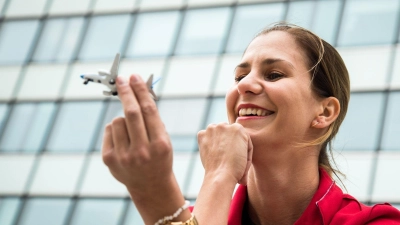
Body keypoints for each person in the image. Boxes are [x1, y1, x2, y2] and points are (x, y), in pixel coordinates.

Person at [101, 22, 400, 224]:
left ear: (324, 112)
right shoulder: (203, 215)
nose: (244, 86)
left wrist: (214, 176)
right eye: (239, 76)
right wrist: (152, 192)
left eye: (274, 75)